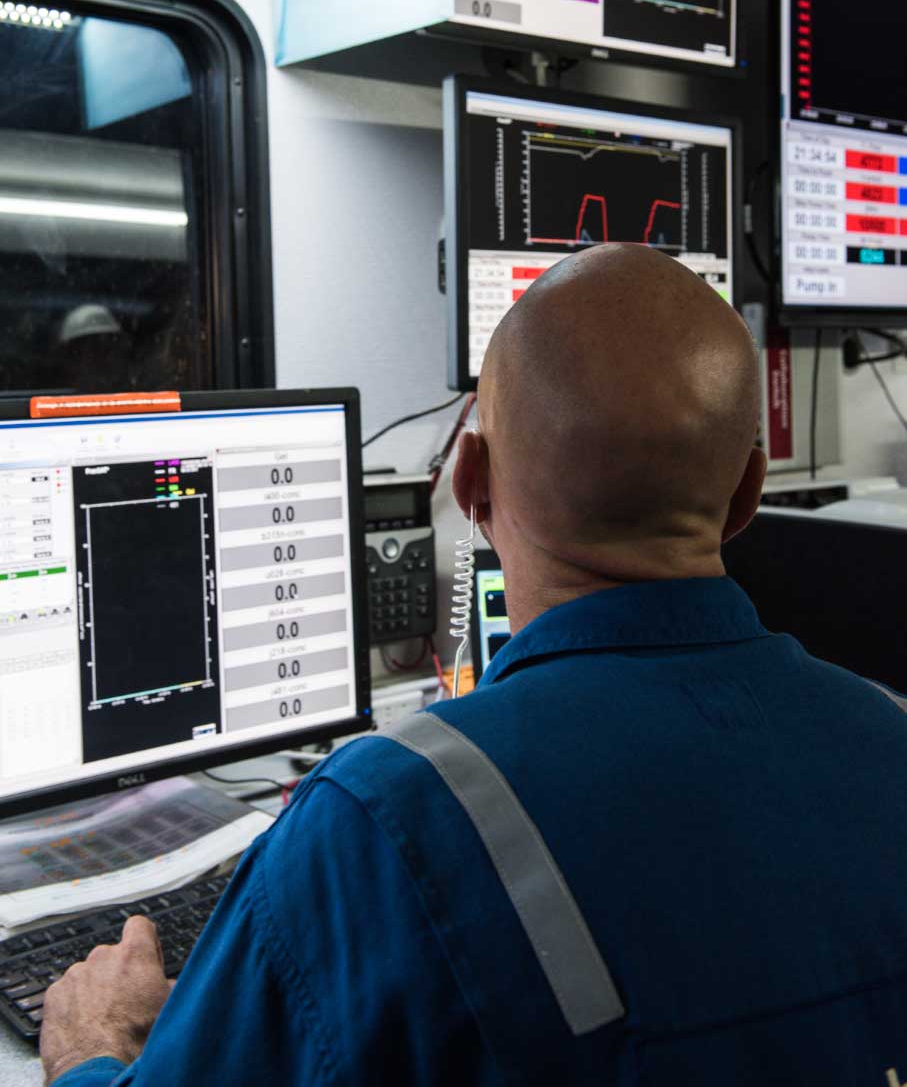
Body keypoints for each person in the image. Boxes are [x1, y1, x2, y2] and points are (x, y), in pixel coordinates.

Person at [40, 244, 907, 1086]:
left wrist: (94, 1048)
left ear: (469, 479)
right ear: (748, 493)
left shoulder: (385, 818)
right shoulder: (885, 733)